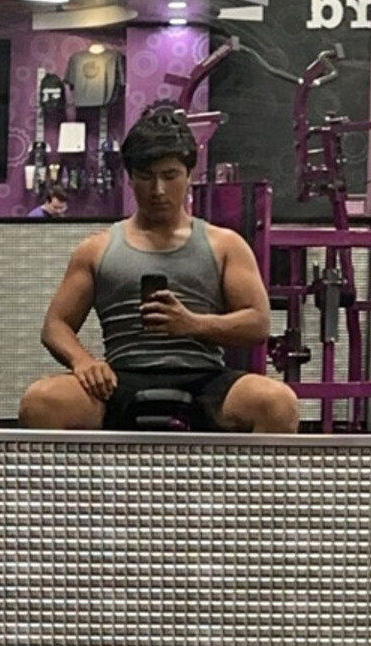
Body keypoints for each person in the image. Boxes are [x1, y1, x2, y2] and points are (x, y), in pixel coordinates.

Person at [19, 104, 300, 433]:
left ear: (189, 174)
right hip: (120, 379)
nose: (158, 190)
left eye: (170, 176)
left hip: (205, 378)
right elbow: (55, 325)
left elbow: (257, 323)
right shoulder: (95, 249)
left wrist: (192, 324)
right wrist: (83, 362)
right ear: (131, 178)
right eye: (146, 177)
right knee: (40, 402)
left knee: (278, 403)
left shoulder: (225, 245)